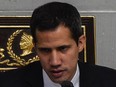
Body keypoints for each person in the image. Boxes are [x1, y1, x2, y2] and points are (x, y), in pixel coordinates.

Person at [0, 1, 116, 87]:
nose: (55, 62)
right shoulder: (6, 83)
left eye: (63, 48)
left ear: (80, 43)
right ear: (35, 47)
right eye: (45, 50)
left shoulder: (110, 81)